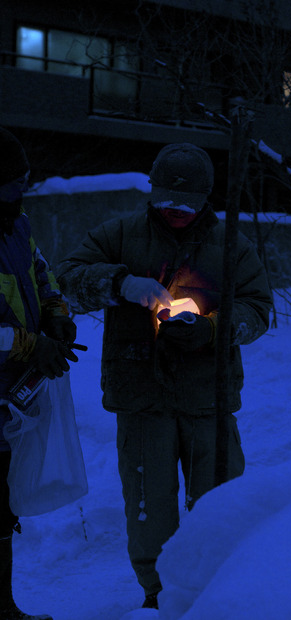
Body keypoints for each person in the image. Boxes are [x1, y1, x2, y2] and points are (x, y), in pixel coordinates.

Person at [56, 142, 272, 611]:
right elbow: (66, 278)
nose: (174, 211)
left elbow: (259, 308)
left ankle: (218, 591)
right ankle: (157, 596)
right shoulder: (120, 234)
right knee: (149, 506)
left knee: (219, 503)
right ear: (151, 192)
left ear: (205, 199)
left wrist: (213, 330)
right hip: (141, 396)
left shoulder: (230, 244)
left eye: (186, 204)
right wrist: (119, 284)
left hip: (207, 400)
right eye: (165, 201)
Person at [0, 127, 78, 620]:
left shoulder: (18, 225)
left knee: (1, 507)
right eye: (11, 184)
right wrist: (33, 345)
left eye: (25, 181)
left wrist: (56, 313)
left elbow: (41, 273)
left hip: (10, 393)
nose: (21, 192)